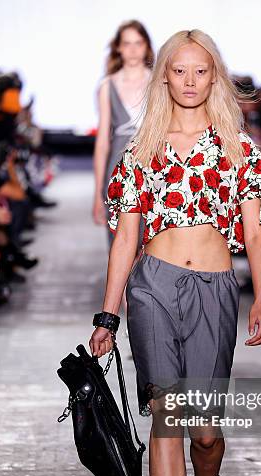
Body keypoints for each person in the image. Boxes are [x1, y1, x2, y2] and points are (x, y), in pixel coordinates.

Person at [89, 29, 261, 476]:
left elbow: (255, 231)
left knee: (206, 431)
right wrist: (108, 314)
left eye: (201, 71)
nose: (190, 82)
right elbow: (125, 238)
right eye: (179, 71)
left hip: (216, 287)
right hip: (153, 287)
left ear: (214, 77)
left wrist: (259, 299)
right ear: (163, 75)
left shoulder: (238, 146)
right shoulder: (142, 149)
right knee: (167, 419)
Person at [92, 20, 153, 317]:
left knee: (151, 243)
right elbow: (103, 140)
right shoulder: (107, 86)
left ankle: (149, 309)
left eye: (137, 43)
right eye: (126, 43)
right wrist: (96, 195)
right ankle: (133, 316)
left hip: (154, 167)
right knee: (120, 243)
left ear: (146, 46)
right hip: (117, 171)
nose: (132, 49)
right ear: (118, 47)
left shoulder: (160, 82)